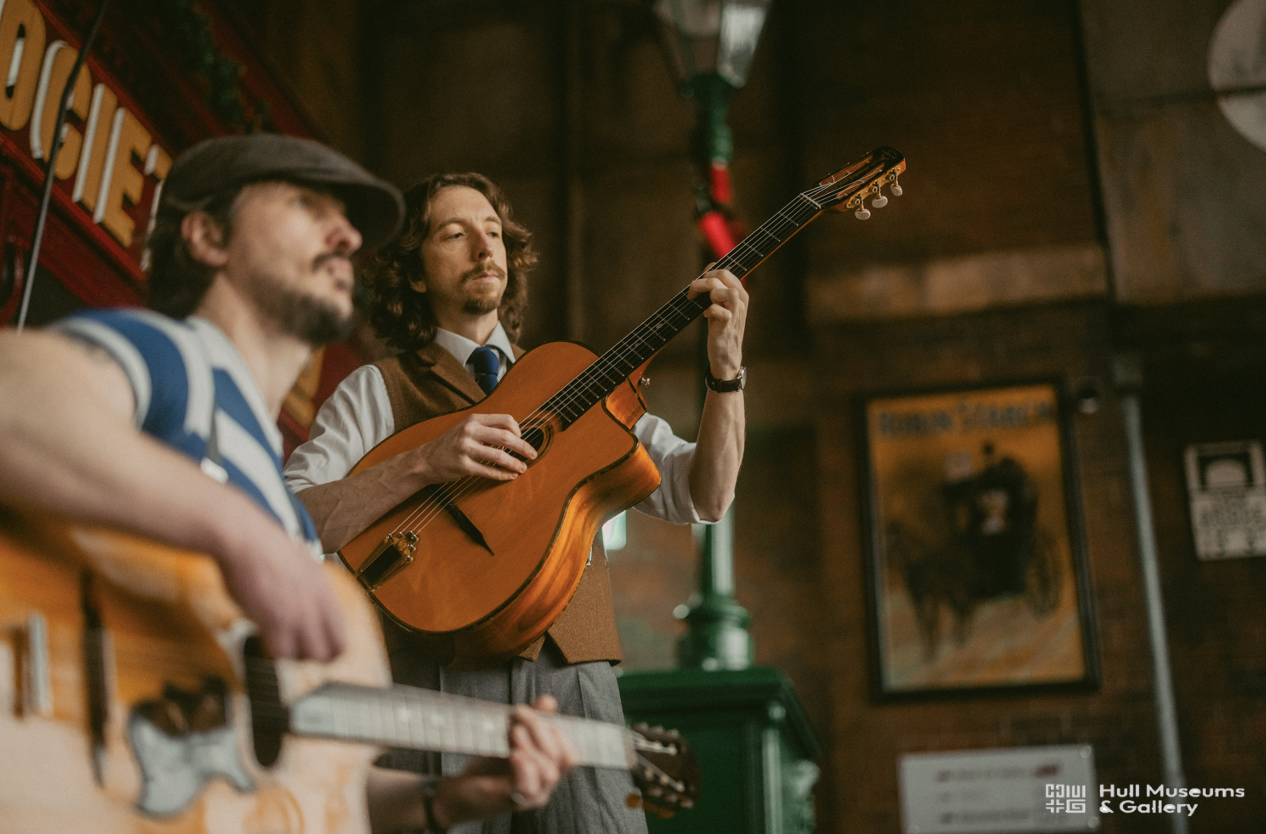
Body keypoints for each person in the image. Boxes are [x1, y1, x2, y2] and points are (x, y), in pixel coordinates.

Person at [0, 135, 576, 833]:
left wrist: (444, 799)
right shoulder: (176, 359)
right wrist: (244, 535)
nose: (347, 236)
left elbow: (301, 783)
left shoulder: (281, 508)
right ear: (208, 237)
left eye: (345, 220)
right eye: (307, 206)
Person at [284, 172, 748, 833]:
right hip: (433, 680)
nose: (484, 248)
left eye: (494, 232)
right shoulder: (374, 390)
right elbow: (289, 519)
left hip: (574, 678)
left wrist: (726, 374)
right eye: (454, 234)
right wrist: (422, 461)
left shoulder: (579, 380)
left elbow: (704, 495)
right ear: (414, 273)